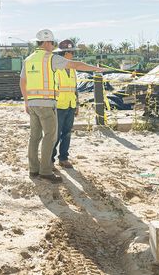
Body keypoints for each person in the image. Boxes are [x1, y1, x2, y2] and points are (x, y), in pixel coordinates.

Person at [20, 29, 103, 183]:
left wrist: (26, 101)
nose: (53, 46)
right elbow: (75, 64)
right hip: (47, 104)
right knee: (50, 136)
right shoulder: (50, 58)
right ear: (46, 42)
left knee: (34, 137)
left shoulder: (28, 59)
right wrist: (96, 68)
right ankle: (45, 171)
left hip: (33, 103)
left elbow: (22, 82)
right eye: (52, 43)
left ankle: (33, 170)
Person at [51, 39, 78, 169]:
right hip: (59, 106)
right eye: (71, 52)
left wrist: (77, 104)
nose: (73, 54)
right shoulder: (56, 69)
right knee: (55, 134)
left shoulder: (72, 69)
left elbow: (75, 88)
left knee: (67, 133)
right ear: (65, 53)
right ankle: (50, 160)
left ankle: (63, 158)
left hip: (70, 105)